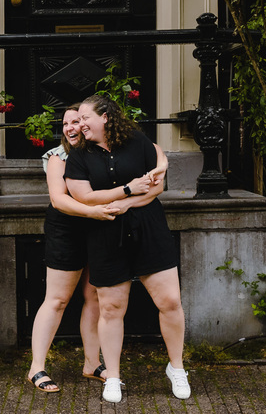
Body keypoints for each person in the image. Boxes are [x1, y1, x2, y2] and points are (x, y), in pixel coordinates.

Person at [64, 94, 187, 404]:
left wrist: (124, 203)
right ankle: (114, 376)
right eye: (76, 120)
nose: (79, 124)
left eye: (84, 118)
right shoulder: (79, 155)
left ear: (105, 117)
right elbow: (84, 197)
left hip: (149, 227)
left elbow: (157, 185)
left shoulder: (136, 141)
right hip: (105, 236)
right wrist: (129, 190)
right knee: (110, 309)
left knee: (170, 301)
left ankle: (177, 368)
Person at [26, 105, 121, 393]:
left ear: (88, 124)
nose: (70, 127)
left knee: (94, 296)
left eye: (76, 121)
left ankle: (92, 363)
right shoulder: (58, 158)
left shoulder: (100, 154)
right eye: (66, 123)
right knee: (57, 300)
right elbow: (58, 200)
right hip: (67, 230)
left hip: (97, 229)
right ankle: (36, 368)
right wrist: (93, 212)